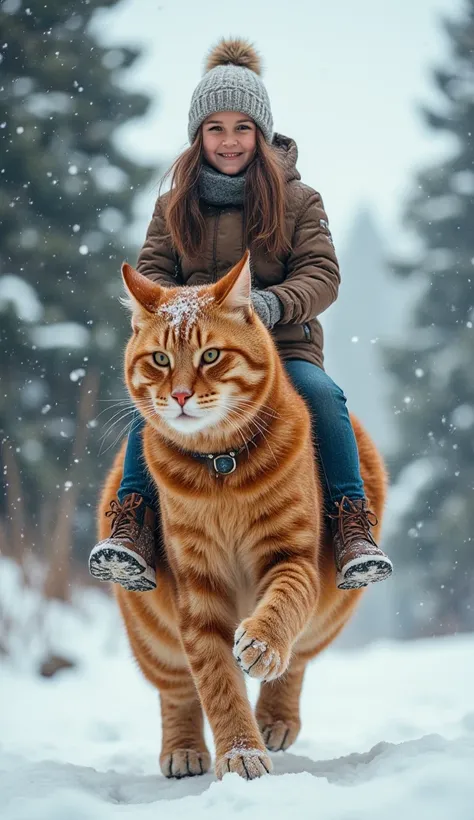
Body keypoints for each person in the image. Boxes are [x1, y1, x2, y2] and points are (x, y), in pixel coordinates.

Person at [89, 38, 393, 593]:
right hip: (191, 348)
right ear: (198, 136)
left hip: (284, 348)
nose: (229, 141)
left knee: (324, 398)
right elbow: (154, 272)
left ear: (262, 133)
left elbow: (323, 276)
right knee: (148, 408)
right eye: (216, 128)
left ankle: (352, 524)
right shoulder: (173, 203)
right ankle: (132, 521)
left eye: (242, 128)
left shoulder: (300, 200)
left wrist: (273, 304)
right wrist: (184, 310)